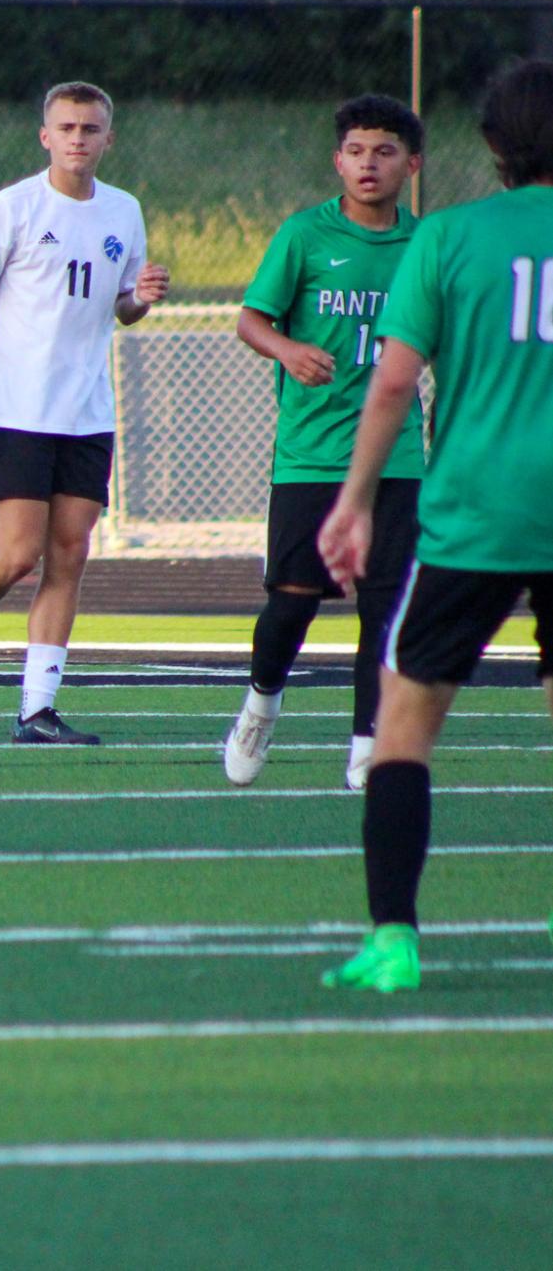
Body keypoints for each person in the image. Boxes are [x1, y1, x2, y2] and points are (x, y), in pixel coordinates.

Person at [316, 59, 553, 993]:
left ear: (490, 144)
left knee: (403, 724)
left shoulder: (448, 236)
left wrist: (353, 500)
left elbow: (389, 382)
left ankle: (393, 942)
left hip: (475, 513)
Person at [0, 81, 170, 746]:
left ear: (107, 139)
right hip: (21, 409)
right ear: (45, 137)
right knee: (17, 554)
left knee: (67, 555)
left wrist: (141, 298)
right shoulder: (14, 208)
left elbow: (121, 306)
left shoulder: (123, 211)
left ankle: (36, 710)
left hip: (87, 411)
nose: (78, 139)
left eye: (90, 129)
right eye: (66, 128)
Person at [223, 95, 425, 792]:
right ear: (337, 160)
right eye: (356, 151)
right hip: (310, 454)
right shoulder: (303, 237)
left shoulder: (423, 245)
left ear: (411, 163)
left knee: (384, 608)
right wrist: (287, 349)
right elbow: (250, 319)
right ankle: (259, 706)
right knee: (291, 602)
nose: (368, 164)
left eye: (384, 151)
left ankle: (367, 745)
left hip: (396, 459)